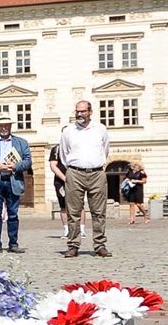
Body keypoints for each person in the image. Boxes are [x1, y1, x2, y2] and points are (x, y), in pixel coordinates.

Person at [57, 99, 110, 258]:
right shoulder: (68, 131)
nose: (80, 114)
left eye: (83, 111)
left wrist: (95, 163)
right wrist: (74, 166)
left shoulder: (100, 129)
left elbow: (105, 150)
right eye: (77, 111)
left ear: (90, 112)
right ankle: (73, 245)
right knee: (73, 212)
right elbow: (63, 154)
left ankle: (99, 245)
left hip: (97, 173)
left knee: (99, 211)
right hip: (75, 173)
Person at [0, 117, 30, 254]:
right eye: (1, 126)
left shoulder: (21, 142)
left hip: (13, 181)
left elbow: (28, 161)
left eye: (6, 125)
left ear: (10, 126)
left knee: (13, 214)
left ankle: (13, 243)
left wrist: (15, 166)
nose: (3, 128)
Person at [123, 160, 149, 224]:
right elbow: (127, 177)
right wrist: (127, 180)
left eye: (132, 164)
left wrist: (136, 181)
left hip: (138, 189)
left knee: (139, 204)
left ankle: (145, 215)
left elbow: (144, 181)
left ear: (136, 165)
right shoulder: (130, 171)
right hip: (131, 189)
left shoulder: (142, 172)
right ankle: (131, 219)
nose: (130, 166)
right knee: (131, 204)